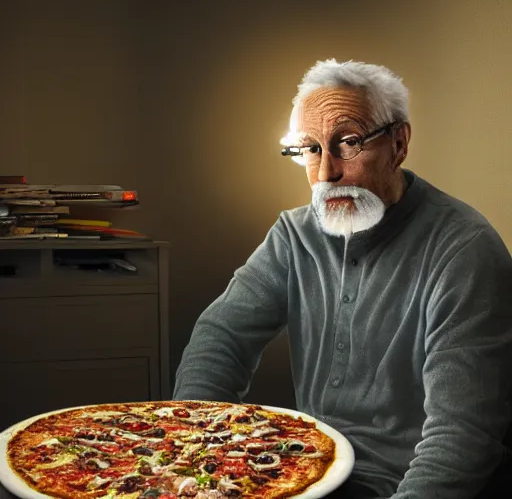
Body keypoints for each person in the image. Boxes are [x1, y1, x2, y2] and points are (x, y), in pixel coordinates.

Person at [173, 59, 512, 498]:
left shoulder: (464, 249)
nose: (326, 173)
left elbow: (463, 435)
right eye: (311, 149)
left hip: (404, 483)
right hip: (308, 471)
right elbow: (221, 336)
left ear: (399, 143)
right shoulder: (295, 234)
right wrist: (196, 448)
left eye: (348, 143)